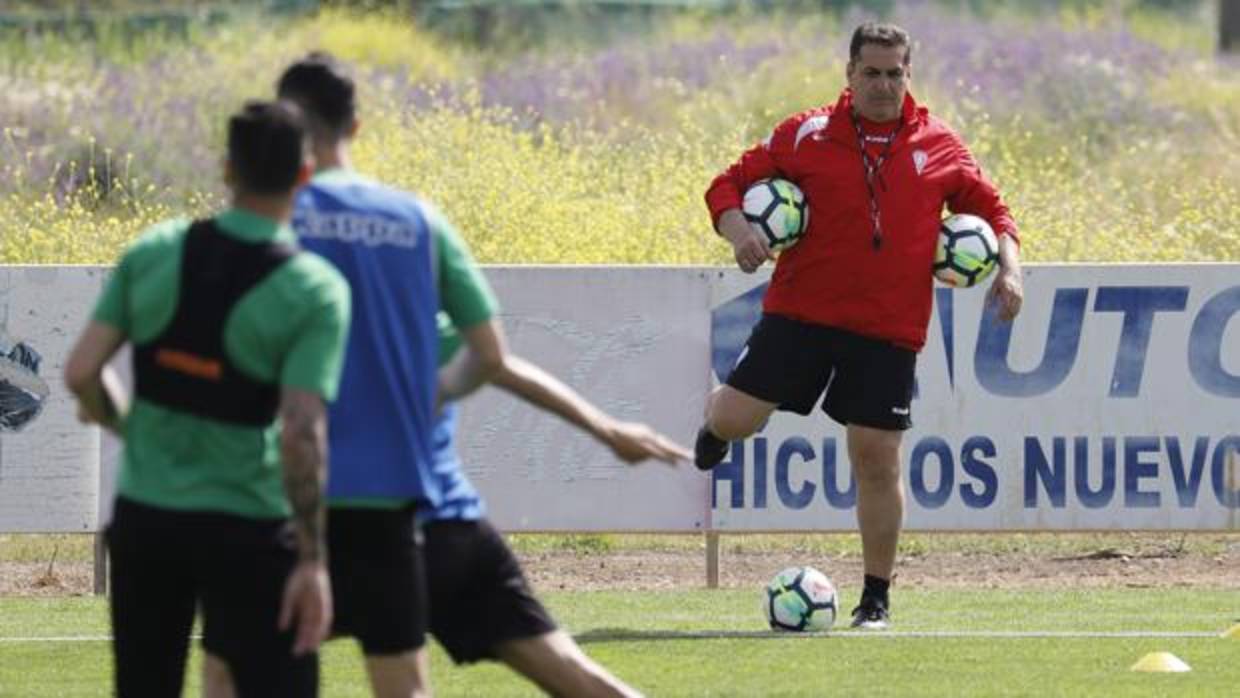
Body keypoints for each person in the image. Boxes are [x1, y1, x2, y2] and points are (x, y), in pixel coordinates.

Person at [692, 22, 1023, 630]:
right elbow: (725, 186)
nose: (883, 85)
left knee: (876, 459)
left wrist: (1011, 271)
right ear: (849, 74)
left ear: (908, 75)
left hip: (888, 329)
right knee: (736, 420)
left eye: (895, 73)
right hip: (800, 315)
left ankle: (876, 598)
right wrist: (741, 233)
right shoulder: (806, 133)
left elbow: (995, 212)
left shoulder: (940, 143)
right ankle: (715, 424)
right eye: (871, 72)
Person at [203, 52, 507, 698]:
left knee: (233, 673)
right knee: (402, 683)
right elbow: (490, 354)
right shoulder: (414, 218)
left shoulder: (266, 221)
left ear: (283, 123)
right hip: (385, 495)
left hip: (272, 491)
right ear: (356, 126)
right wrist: (434, 393)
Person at [64, 100, 351, 697]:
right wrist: (313, 560)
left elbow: (82, 372)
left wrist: (127, 424)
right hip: (248, 525)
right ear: (304, 175)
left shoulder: (153, 251)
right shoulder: (314, 288)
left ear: (227, 169)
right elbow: (302, 432)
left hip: (148, 522)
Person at [423, 318, 689, 698]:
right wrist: (607, 429)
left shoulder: (376, 300)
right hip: (431, 523)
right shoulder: (410, 299)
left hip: (409, 525)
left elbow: (491, 359)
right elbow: (491, 359)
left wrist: (607, 429)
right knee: (572, 675)